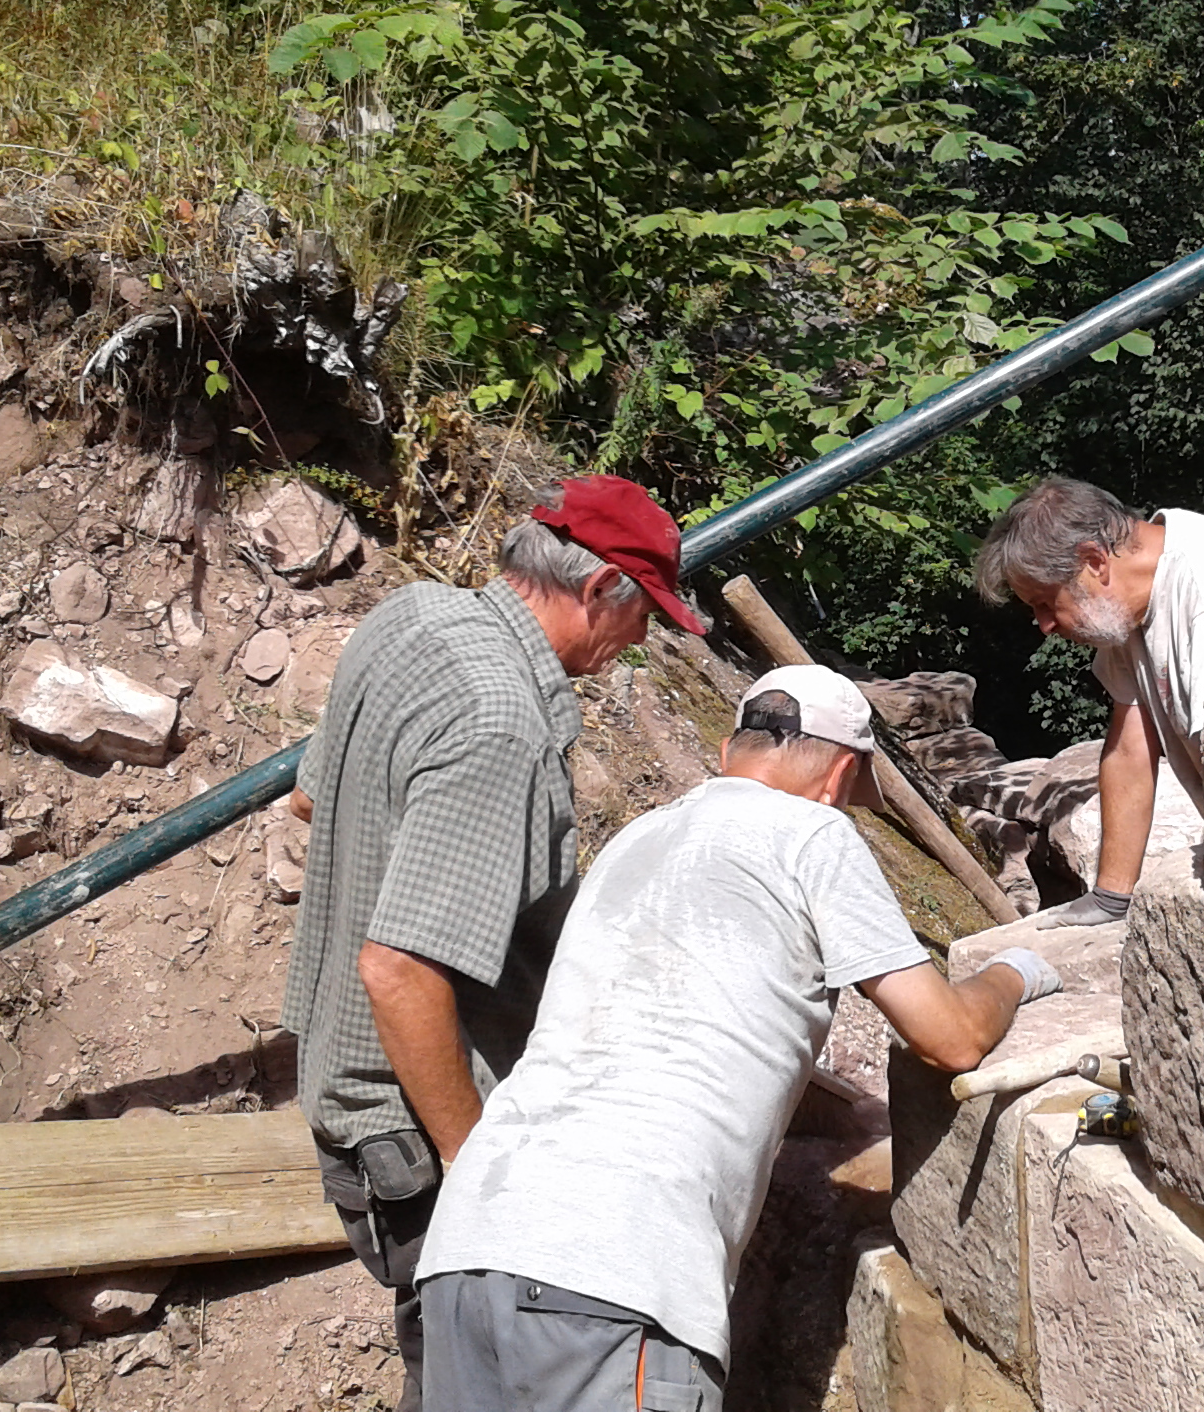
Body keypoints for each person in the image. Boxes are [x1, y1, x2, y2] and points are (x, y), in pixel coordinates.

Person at [414, 664, 1062, 1410]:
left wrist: (840, 1112)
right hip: (612, 1270)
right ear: (841, 773)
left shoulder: (638, 839)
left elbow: (676, 1032)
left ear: (730, 750)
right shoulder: (812, 833)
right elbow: (948, 1038)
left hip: (468, 1247)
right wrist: (1014, 971)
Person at [281, 475, 707, 1412]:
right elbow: (398, 970)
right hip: (412, 1129)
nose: (642, 640)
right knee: (465, 1376)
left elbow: (312, 797)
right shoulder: (499, 721)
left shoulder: (412, 616)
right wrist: (483, 1182)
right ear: (598, 590)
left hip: (348, 1085)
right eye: (645, 616)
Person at [974, 476, 1204, 929]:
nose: (1044, 625)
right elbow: (1129, 749)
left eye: (1045, 602)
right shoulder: (1127, 602)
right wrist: (1110, 898)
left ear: (1094, 561)